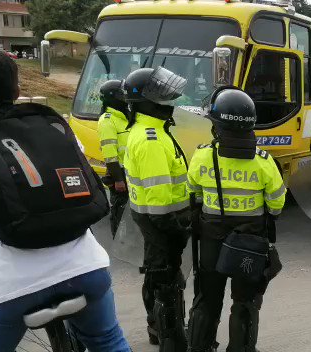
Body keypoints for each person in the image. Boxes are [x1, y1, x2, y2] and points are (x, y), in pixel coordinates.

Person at [0, 48, 130, 351]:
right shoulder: (51, 126)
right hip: (85, 269)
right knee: (107, 339)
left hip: (8, 288)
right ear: (17, 90)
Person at [186, 87, 286, 351]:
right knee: (245, 302)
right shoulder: (264, 161)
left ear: (216, 126)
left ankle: (200, 346)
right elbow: (277, 204)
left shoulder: (202, 155)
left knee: (207, 298)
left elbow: (193, 192)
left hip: (210, 240)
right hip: (250, 242)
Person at [123, 67, 191, 350]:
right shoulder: (151, 139)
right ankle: (171, 337)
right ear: (147, 101)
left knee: (155, 273)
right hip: (162, 221)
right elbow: (159, 199)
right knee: (167, 280)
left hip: (153, 220)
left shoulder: (150, 130)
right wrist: (179, 229)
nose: (170, 103)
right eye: (163, 98)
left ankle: (156, 326)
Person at [97, 79, 130, 238]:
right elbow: (110, 155)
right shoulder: (107, 120)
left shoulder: (124, 116)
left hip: (130, 171)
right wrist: (118, 179)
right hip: (120, 173)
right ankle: (119, 239)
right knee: (120, 210)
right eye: (120, 94)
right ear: (112, 97)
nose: (124, 97)